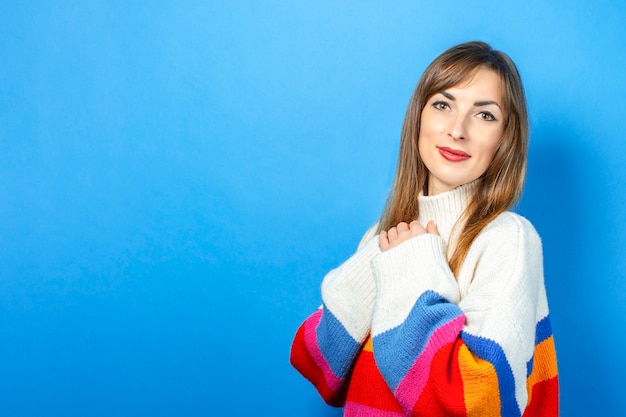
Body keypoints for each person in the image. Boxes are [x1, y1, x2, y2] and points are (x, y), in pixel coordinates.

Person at [289, 41, 559, 417]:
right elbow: (320, 365)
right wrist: (383, 258)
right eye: (443, 105)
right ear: (419, 118)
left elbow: (478, 401)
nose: (457, 130)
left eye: (484, 116)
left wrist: (411, 270)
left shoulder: (507, 239)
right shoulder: (383, 236)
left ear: (505, 140)